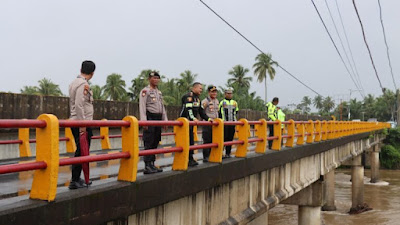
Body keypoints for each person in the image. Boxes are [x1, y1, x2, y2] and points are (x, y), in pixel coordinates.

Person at [68, 60, 95, 189]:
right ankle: (74, 180)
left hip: (77, 121)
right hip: (81, 122)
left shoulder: (74, 82)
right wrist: (83, 123)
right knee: (81, 151)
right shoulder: (83, 85)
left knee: (81, 150)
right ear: (92, 73)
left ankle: (77, 178)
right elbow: (79, 104)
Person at [139, 71, 168, 174]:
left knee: (156, 141)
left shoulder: (158, 92)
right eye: (153, 78)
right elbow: (142, 107)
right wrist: (144, 121)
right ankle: (147, 165)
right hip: (150, 118)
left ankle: (152, 163)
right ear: (149, 79)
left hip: (158, 119)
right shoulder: (145, 91)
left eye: (157, 78)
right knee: (149, 142)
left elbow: (162, 107)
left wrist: (165, 120)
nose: (155, 80)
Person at [180, 82, 212, 167]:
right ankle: (186, 159)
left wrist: (208, 119)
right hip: (184, 123)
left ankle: (190, 158)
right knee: (186, 142)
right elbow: (188, 109)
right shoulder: (189, 97)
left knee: (191, 141)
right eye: (200, 88)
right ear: (194, 88)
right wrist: (193, 118)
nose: (201, 90)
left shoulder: (197, 99)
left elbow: (201, 111)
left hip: (190, 123)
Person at [201, 85, 219, 162]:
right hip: (207, 123)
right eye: (212, 92)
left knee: (213, 140)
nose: (214, 93)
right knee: (207, 140)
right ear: (209, 92)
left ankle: (212, 155)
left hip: (215, 124)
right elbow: (201, 111)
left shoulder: (217, 101)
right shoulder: (205, 101)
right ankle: (206, 156)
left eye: (215, 92)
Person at [218, 88, 238, 158]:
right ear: (225, 94)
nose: (229, 95)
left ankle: (228, 153)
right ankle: (220, 153)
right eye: (228, 93)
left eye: (231, 93)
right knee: (223, 138)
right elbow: (219, 112)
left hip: (232, 123)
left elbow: (236, 112)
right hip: (224, 124)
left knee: (230, 138)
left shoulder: (234, 102)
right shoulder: (222, 102)